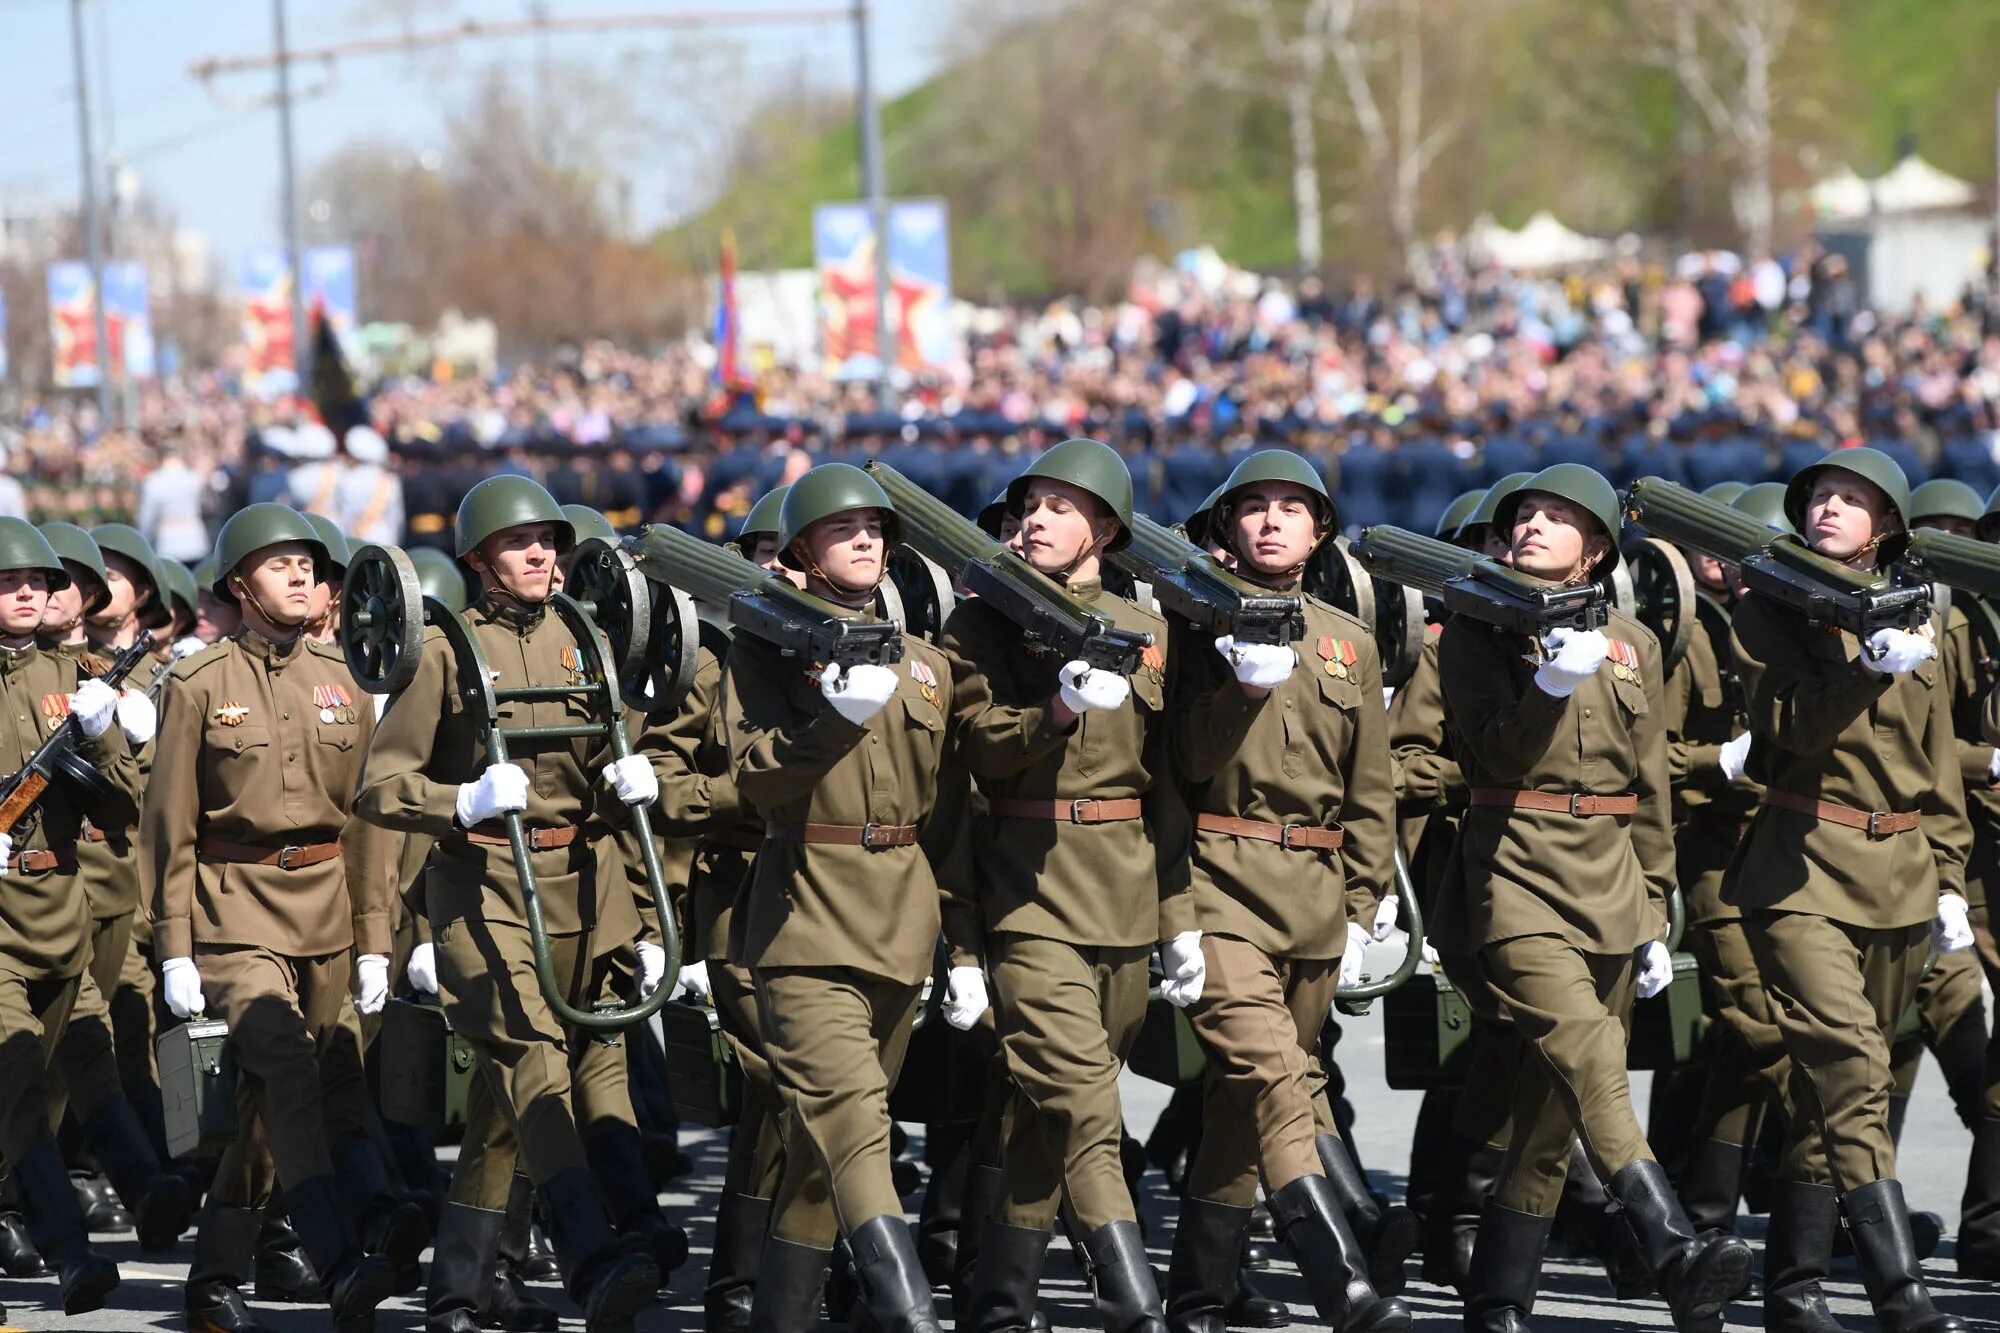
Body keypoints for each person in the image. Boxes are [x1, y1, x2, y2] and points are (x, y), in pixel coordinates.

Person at [1435, 464, 1751, 1332]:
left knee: (1548, 1111)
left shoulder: (1633, 643)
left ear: (1598, 547)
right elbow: (1493, 755)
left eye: (1557, 516)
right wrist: (1546, 686)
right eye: (1524, 515)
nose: (1532, 526)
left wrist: (1654, 908)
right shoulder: (1475, 625)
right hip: (1518, 870)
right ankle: (1672, 1243)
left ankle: (1497, 1301)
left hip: (1610, 879)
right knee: (1588, 1056)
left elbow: (1647, 784)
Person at [355, 476, 662, 1333]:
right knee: (533, 1063)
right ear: (480, 558)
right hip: (484, 886)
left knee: (504, 1109)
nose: (543, 556)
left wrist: (633, 782)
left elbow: (606, 773)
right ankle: (591, 1256)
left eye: (552, 542)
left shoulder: (586, 640)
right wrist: (460, 801)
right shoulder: (446, 649)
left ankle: (462, 1286)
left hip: (581, 891)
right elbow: (380, 784)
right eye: (522, 543)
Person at [941, 438, 1190, 1333]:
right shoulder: (980, 624)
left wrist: (1179, 917)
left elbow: (1167, 788)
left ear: (1106, 527)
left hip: (1121, 897)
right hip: (1028, 893)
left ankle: (999, 1305)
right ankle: (1135, 1303)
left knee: (1035, 1105)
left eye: (1055, 505)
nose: (1032, 520)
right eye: (1026, 506)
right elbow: (979, 746)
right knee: (1086, 1103)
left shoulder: (1150, 629)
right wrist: (1058, 708)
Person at [143, 502, 407, 1331]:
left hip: (327, 909)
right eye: (279, 562)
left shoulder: (345, 679)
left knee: (273, 1110)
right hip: (233, 912)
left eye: (310, 563)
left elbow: (366, 822)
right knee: (288, 1072)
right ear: (238, 584)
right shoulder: (197, 684)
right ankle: (335, 1259)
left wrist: (374, 937)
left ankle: (212, 1277)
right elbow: (170, 825)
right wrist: (175, 948)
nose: (302, 574)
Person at [1163, 450, 1411, 1333]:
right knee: (1274, 1080)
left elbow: (1369, 788)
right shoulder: (1191, 627)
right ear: (1227, 527)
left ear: (1319, 532)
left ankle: (1200, 1294)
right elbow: (1186, 762)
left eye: (1291, 508)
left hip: (1313, 896)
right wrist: (1237, 687)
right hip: (1221, 884)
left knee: (1241, 1107)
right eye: (1254, 507)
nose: (1271, 520)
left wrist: (1361, 904)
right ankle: (1340, 1282)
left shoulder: (1348, 641)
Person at [1730, 448, 1971, 1333]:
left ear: (1890, 526)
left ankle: (1792, 1289)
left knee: (1834, 1093)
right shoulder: (1773, 604)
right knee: (1853, 1066)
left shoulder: (1925, 618)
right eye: (1819, 496)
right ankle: (1898, 1290)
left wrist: (1947, 875)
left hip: (1902, 875)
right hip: (1803, 863)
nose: (1829, 507)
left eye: (1852, 498)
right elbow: (1785, 725)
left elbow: (1936, 765)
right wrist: (1865, 667)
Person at [722, 463, 956, 1333]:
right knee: (855, 1127)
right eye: (842, 528)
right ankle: (910, 1308)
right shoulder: (766, 649)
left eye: (876, 528)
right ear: (803, 552)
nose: (866, 540)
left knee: (827, 1157)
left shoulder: (927, 666)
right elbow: (757, 782)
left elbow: (958, 806)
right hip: (805, 917)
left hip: (902, 919)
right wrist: (830, 721)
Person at [0, 518, 136, 1320]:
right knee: (17, 1083)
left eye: (37, 583)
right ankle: (70, 1252)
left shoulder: (77, 677)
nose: (26, 593)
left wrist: (102, 732)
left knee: (35, 1095)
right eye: (9, 582)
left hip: (60, 912)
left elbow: (124, 806)